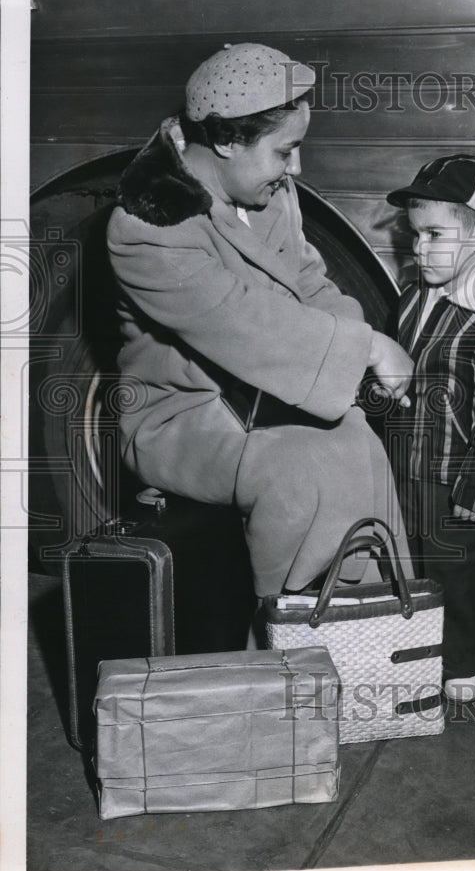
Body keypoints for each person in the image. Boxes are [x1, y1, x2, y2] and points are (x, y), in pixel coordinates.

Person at [106, 42, 414, 602]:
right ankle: (289, 654)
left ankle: (372, 633)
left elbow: (312, 284)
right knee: (299, 473)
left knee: (359, 445)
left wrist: (362, 345)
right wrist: (367, 347)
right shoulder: (147, 225)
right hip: (185, 414)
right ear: (226, 140)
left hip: (259, 394)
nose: (296, 168)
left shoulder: (272, 193)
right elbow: (243, 322)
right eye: (285, 151)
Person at [385, 155, 475, 703]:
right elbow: (394, 369)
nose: (419, 247)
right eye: (415, 234)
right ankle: (410, 648)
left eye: (435, 233)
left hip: (456, 472)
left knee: (459, 571)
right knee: (410, 561)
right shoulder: (412, 299)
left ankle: (461, 659)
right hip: (405, 462)